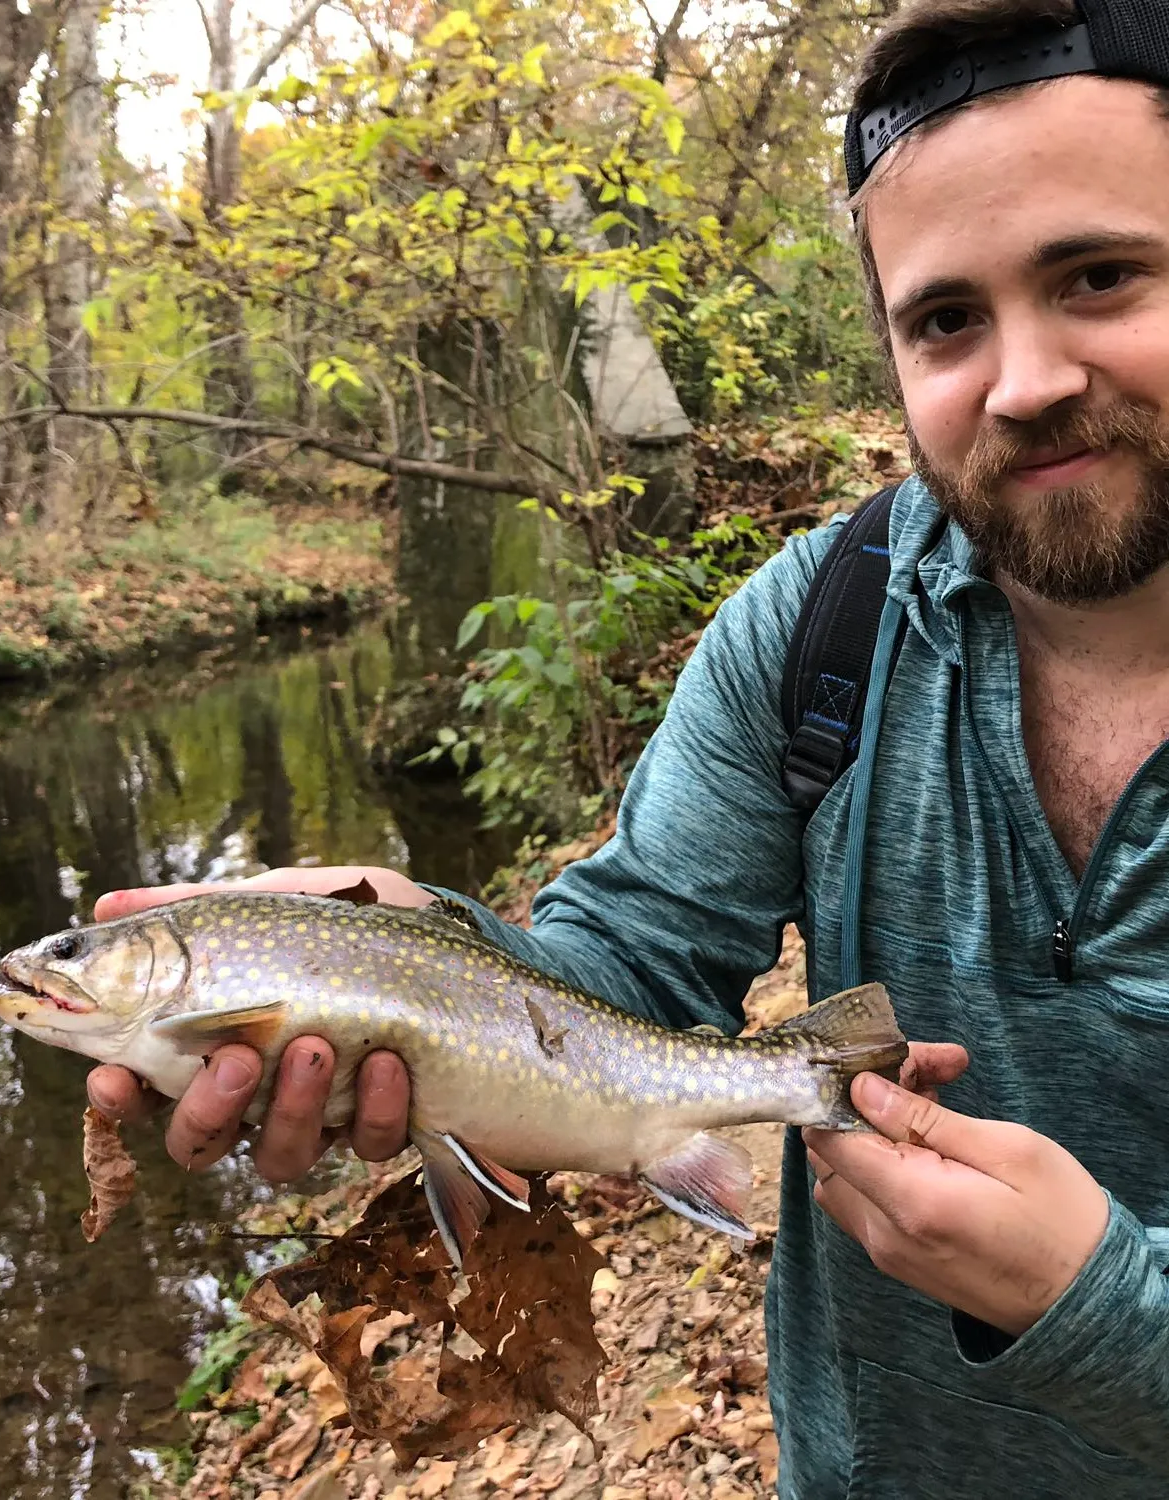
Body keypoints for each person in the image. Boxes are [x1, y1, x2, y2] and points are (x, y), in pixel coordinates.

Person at [89, 0, 1169, 1492]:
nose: (1024, 378)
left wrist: (1099, 1310)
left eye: (1101, 275)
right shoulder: (821, 623)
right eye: (945, 320)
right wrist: (422, 961)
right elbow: (637, 963)